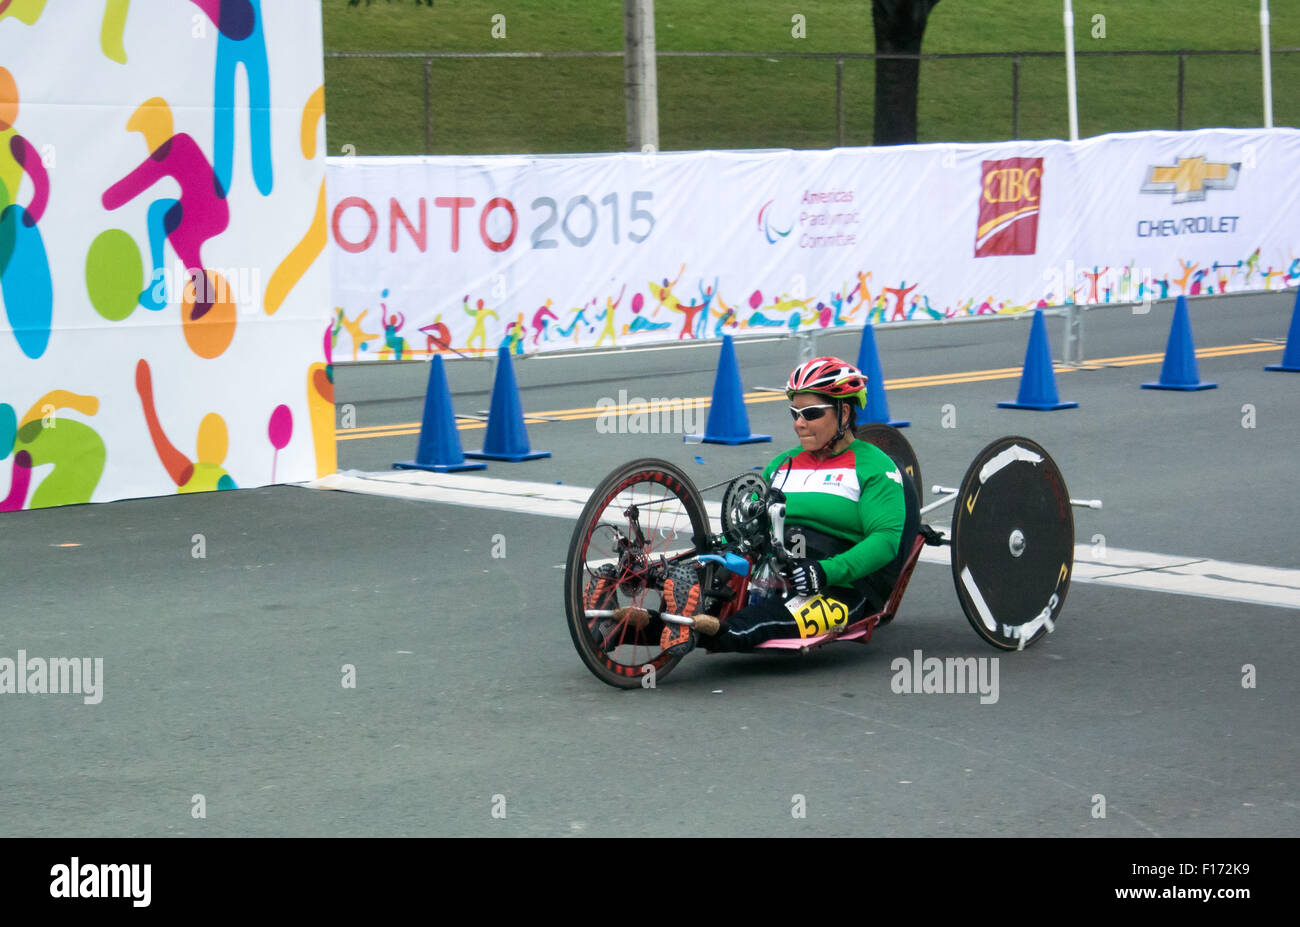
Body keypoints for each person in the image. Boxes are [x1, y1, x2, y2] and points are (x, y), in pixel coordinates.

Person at [610, 356, 914, 657]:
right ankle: (616, 621)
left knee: (761, 622)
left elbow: (885, 542)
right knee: (713, 594)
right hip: (770, 568)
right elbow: (752, 522)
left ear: (844, 412)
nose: (799, 424)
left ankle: (654, 630)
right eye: (794, 413)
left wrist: (825, 571)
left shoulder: (875, 467)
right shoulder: (782, 464)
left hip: (841, 586)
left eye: (810, 413)